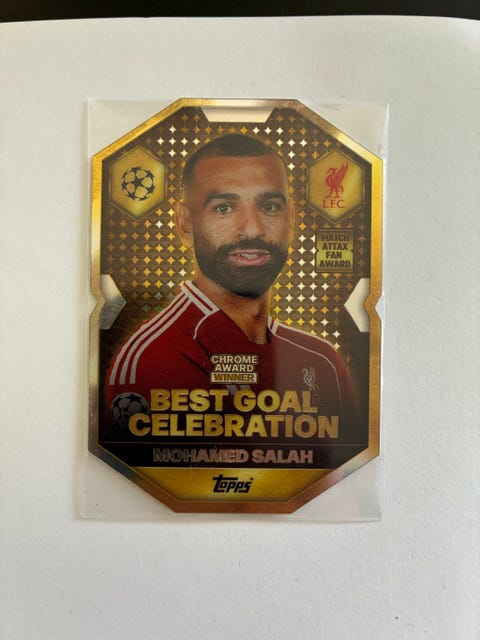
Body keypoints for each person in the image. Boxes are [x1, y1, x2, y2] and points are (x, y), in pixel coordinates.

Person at [106, 134, 356, 434]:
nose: (252, 229)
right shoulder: (155, 356)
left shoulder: (322, 360)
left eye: (269, 206)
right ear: (185, 224)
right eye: (224, 208)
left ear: (291, 220)